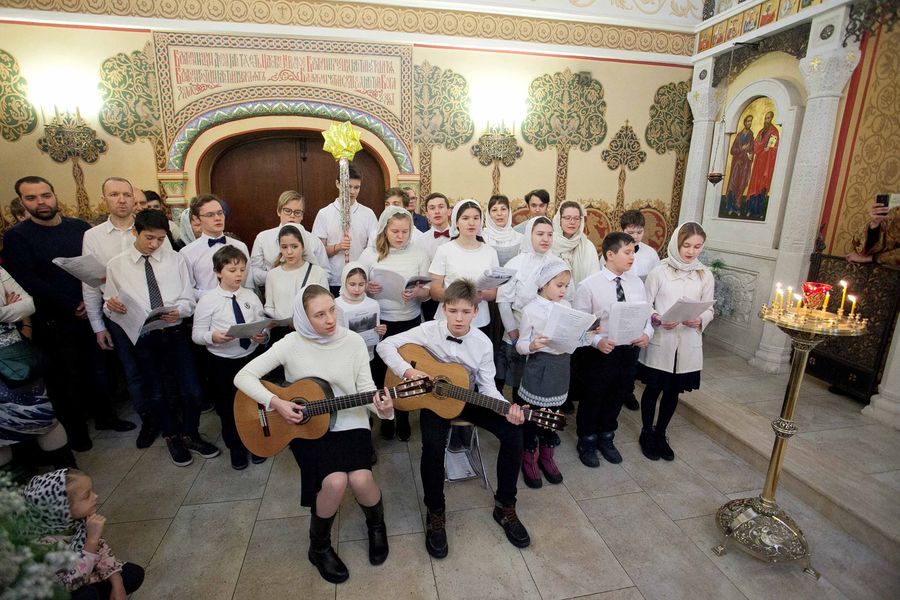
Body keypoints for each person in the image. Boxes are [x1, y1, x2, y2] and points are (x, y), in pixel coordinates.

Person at [235, 285, 394, 583]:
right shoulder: (290, 344)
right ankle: (318, 547)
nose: (330, 319)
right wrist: (277, 402)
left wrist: (383, 409)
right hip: (306, 426)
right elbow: (242, 376)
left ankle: (377, 526)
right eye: (319, 315)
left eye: (332, 310)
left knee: (361, 479)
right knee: (335, 481)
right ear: (303, 317)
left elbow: (365, 389)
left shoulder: (353, 341)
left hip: (351, 420)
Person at [377, 279, 529, 558]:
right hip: (434, 400)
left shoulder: (482, 343)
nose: (459, 318)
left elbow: (488, 388)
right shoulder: (428, 330)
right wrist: (408, 372)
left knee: (513, 432)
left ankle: (505, 506)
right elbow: (385, 346)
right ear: (444, 309)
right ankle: (436, 511)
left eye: (466, 312)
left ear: (476, 311)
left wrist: (507, 408)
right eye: (453, 311)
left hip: (469, 398)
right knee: (432, 447)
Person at [3, 176, 133, 451]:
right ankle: (76, 432)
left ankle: (105, 417)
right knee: (66, 378)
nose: (41, 202)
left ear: (54, 195)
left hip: (90, 307)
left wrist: (90, 301)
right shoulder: (17, 236)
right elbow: (29, 280)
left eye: (45, 195)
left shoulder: (79, 228)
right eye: (32, 198)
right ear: (23, 202)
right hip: (55, 319)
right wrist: (70, 304)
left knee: (100, 369)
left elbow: (93, 267)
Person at [103, 209, 220, 467]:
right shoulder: (116, 265)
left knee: (192, 389)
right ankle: (171, 436)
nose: (155, 244)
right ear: (135, 232)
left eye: (160, 238)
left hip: (174, 332)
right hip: (143, 336)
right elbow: (108, 304)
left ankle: (190, 433)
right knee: (155, 392)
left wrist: (180, 310)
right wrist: (111, 306)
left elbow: (189, 300)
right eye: (149, 238)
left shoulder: (175, 260)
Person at [83, 177, 164, 448]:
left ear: (134, 198)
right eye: (114, 194)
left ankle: (167, 417)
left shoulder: (149, 228)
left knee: (161, 368)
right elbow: (90, 284)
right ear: (104, 199)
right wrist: (98, 326)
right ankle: (148, 420)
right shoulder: (93, 236)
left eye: (126, 194)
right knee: (133, 372)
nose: (121, 200)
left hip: (153, 313)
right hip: (119, 316)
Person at [573, 232, 652, 467]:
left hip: (628, 350)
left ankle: (607, 436)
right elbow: (579, 326)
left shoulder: (636, 283)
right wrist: (597, 341)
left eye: (633, 252)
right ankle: (587, 439)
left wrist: (647, 334)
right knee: (594, 396)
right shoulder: (589, 286)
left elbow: (647, 314)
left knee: (618, 394)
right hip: (600, 352)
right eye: (627, 252)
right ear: (610, 254)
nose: (632, 257)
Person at [638, 222, 714, 461]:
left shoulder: (704, 274)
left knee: (673, 391)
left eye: (697, 246)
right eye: (687, 245)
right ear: (676, 244)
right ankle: (647, 432)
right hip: (663, 338)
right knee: (654, 389)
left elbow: (709, 307)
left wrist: (700, 319)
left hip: (688, 340)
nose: (691, 251)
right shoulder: (659, 272)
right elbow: (645, 304)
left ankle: (661, 432)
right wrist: (657, 318)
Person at [192, 246, 268, 470]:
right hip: (222, 362)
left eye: (242, 270)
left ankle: (257, 442)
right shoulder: (208, 300)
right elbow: (197, 335)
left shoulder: (250, 296)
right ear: (218, 272)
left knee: (255, 402)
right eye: (232, 270)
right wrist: (213, 337)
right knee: (228, 407)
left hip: (250, 358)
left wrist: (262, 335)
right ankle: (236, 446)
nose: (239, 275)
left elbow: (262, 324)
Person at [358, 206, 430, 441]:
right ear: (384, 230)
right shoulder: (370, 254)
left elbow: (427, 292)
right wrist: (367, 287)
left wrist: (418, 292)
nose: (400, 236)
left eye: (405, 232)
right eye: (395, 231)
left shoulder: (419, 254)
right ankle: (386, 417)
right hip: (380, 322)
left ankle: (403, 415)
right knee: (381, 371)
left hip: (409, 321)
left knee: (405, 370)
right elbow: (355, 284)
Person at [23, 468, 144, 600]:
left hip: (85, 574)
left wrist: (117, 582)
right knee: (87, 595)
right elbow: (69, 583)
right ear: (61, 508)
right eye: (86, 496)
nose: (95, 496)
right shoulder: (40, 544)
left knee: (133, 574)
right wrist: (91, 540)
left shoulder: (79, 521)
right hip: (63, 588)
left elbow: (102, 550)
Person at [0, 267, 76, 470]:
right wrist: (9, 310)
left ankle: (68, 477)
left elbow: (28, 305)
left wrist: (5, 312)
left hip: (16, 360)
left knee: (43, 418)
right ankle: (13, 487)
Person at [515, 258, 579, 488]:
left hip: (561, 367)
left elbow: (573, 339)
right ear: (543, 284)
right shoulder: (531, 310)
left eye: (566, 286)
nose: (563, 291)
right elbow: (520, 345)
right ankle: (529, 457)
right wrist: (532, 345)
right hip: (539, 367)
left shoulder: (567, 307)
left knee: (553, 416)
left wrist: (588, 333)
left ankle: (547, 456)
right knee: (533, 417)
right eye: (559, 285)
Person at [495, 217, 557, 400]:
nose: (545, 239)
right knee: (514, 379)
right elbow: (503, 301)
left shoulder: (558, 264)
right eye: (540, 234)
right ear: (529, 235)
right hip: (517, 328)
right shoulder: (515, 263)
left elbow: (566, 298)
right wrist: (513, 331)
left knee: (535, 382)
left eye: (550, 234)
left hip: (545, 334)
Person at [429, 199, 499, 334]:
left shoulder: (490, 252)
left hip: (479, 320)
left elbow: (492, 293)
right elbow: (435, 290)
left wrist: (479, 296)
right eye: (465, 218)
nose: (471, 223)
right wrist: (461, 298)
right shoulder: (444, 250)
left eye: (476, 218)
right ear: (456, 222)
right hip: (448, 320)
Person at [313, 165, 378, 296]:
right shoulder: (324, 214)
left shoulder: (368, 214)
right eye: (348, 186)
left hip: (360, 281)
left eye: (356, 187)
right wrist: (337, 247)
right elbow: (318, 252)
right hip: (334, 280)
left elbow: (375, 249)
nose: (352, 191)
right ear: (338, 184)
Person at [180, 194, 254, 300]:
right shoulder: (188, 252)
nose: (218, 218)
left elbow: (248, 284)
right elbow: (188, 290)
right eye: (210, 215)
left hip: (238, 303)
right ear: (196, 219)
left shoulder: (240, 246)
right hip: (206, 306)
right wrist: (213, 296)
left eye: (220, 213)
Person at [250, 191, 328, 289]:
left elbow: (326, 273)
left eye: (297, 212)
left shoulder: (314, 241)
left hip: (306, 291)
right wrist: (280, 275)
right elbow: (254, 272)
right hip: (274, 289)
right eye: (287, 210)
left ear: (302, 215)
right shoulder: (263, 238)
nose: (292, 216)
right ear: (279, 211)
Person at [263, 225, 329, 328]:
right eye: (284, 247)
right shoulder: (272, 274)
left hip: (310, 329)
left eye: (294, 246)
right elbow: (269, 306)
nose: (289, 252)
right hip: (281, 331)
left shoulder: (318, 272)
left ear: (303, 246)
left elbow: (326, 304)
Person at [333, 263, 386, 364]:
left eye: (361, 284)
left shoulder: (373, 304)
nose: (357, 289)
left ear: (366, 284)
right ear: (344, 282)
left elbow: (376, 336)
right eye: (352, 284)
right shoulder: (335, 304)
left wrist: (380, 333)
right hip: (344, 357)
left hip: (366, 356)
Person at [413, 193, 452, 321]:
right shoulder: (420, 241)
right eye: (432, 208)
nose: (437, 211)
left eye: (441, 207)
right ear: (426, 214)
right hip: (430, 298)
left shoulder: (459, 237)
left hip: (455, 294)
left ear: (449, 211)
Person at [552, 200, 600, 289]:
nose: (572, 222)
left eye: (576, 218)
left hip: (582, 294)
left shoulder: (587, 246)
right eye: (567, 218)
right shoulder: (550, 243)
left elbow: (594, 277)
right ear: (559, 219)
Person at [745, 111, 779, 219]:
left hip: (766, 165)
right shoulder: (761, 132)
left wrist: (764, 147)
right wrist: (760, 146)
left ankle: (758, 212)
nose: (766, 120)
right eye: (765, 118)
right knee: (754, 185)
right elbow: (756, 145)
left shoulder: (774, 132)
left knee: (761, 187)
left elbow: (770, 148)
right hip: (758, 164)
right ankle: (750, 210)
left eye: (768, 118)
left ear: (772, 119)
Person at [723, 115, 754, 217]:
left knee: (741, 185)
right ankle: (730, 207)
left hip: (745, 165)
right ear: (744, 122)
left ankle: (737, 207)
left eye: (751, 121)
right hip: (737, 165)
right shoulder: (739, 136)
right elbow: (732, 151)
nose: (749, 123)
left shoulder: (751, 135)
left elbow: (752, 149)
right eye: (748, 121)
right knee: (733, 184)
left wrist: (751, 154)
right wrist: (741, 149)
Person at [619, 210, 660, 281]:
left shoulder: (651, 253)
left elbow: (656, 278)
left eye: (639, 232)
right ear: (621, 231)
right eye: (630, 233)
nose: (635, 237)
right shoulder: (612, 251)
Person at [483, 194, 523, 266]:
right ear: (488, 214)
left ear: (509, 212)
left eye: (503, 209)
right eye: (494, 210)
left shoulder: (520, 238)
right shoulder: (481, 238)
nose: (499, 213)